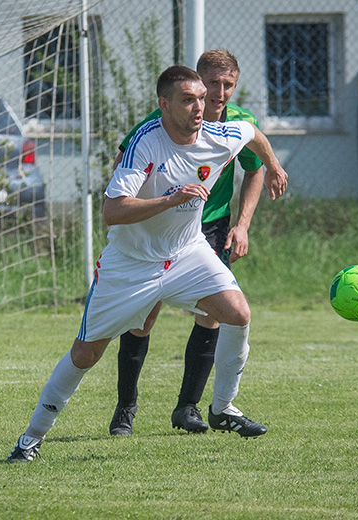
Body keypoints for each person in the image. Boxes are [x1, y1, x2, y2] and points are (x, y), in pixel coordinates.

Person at [7, 65, 288, 462]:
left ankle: (223, 408)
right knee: (86, 354)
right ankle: (31, 437)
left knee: (238, 313)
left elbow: (254, 136)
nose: (199, 107)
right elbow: (113, 210)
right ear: (164, 104)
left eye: (202, 99)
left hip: (188, 252)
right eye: (188, 100)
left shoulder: (221, 134)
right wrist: (171, 199)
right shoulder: (146, 142)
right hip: (130, 264)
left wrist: (274, 166)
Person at [109, 50, 277, 436]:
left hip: (212, 226)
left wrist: (244, 225)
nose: (217, 94)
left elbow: (254, 168)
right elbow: (122, 168)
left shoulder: (239, 123)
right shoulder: (161, 121)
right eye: (210, 85)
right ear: (196, 85)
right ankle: (125, 409)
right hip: (161, 228)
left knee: (215, 312)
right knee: (144, 316)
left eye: (227, 85)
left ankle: (189, 408)